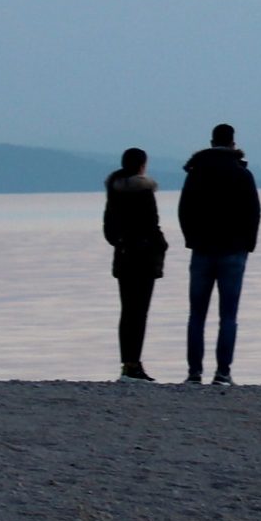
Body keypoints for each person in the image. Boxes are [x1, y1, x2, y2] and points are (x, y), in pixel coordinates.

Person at [178, 122, 261, 385]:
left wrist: (191, 239)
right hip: (233, 251)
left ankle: (194, 373)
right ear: (232, 142)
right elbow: (253, 213)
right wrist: (248, 244)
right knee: (228, 316)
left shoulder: (196, 172)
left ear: (212, 141)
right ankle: (222, 373)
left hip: (202, 249)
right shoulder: (241, 173)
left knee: (197, 315)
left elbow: (184, 210)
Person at [102, 148, 168, 382]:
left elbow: (108, 230)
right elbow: (152, 224)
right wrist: (161, 245)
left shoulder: (114, 190)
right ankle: (134, 364)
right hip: (144, 259)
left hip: (123, 258)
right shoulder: (144, 191)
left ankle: (127, 364)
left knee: (127, 312)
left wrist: (122, 242)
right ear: (142, 165)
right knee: (140, 312)